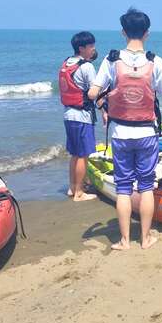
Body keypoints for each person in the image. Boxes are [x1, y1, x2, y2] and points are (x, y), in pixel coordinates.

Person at [88, 8, 162, 251]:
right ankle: (145, 239)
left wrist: (98, 98)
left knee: (123, 187)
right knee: (146, 186)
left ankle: (125, 240)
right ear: (147, 33)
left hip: (120, 133)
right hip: (147, 132)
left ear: (123, 32)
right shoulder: (155, 60)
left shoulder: (112, 59)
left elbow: (94, 92)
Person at [58, 31, 99, 201]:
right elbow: (93, 93)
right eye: (90, 46)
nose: (93, 49)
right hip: (82, 116)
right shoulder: (87, 66)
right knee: (83, 155)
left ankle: (72, 188)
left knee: (75, 154)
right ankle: (79, 193)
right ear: (82, 48)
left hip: (68, 114)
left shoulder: (66, 62)